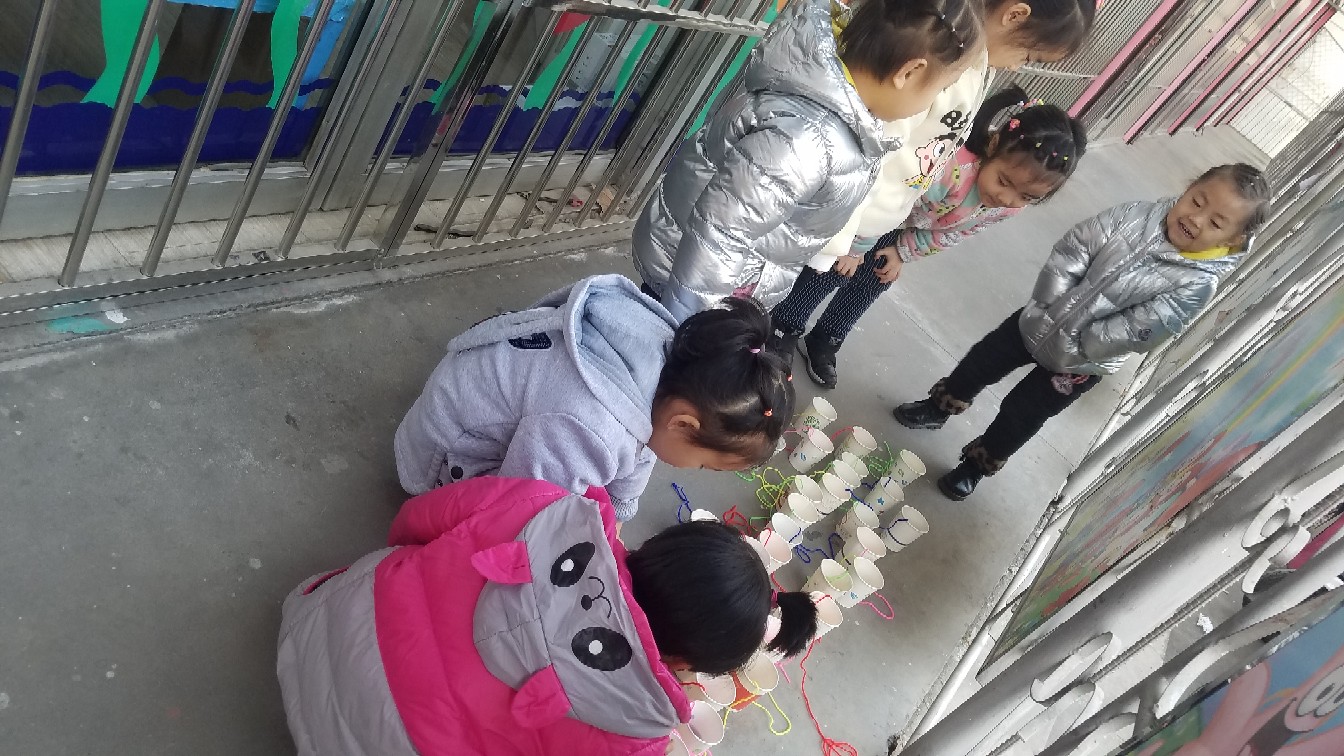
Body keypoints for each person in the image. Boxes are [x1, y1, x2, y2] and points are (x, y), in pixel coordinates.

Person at [276, 477, 819, 756]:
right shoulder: (634, 734)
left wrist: (413, 579)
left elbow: (417, 519)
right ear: (685, 663)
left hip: (313, 620)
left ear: (658, 545)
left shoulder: (545, 506)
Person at [893, 163, 1272, 500]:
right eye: (1197, 201)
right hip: (1041, 317)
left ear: (1232, 241)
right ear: (1188, 189)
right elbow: (1076, 247)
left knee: (1022, 415)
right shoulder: (1134, 215)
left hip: (1080, 364)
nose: (1197, 219)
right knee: (981, 361)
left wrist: (1077, 346)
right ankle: (938, 406)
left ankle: (976, 466)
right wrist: (1050, 300)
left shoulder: (1197, 283)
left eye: (1216, 223)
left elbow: (1141, 329)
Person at [632, 0, 986, 322]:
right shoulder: (807, 139)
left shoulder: (840, 118)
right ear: (908, 72)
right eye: (939, 89)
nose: (931, 102)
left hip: (719, 283)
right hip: (688, 294)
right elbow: (721, 234)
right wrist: (693, 332)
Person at [395, 275, 793, 521]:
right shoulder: (591, 425)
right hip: (446, 448)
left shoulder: (666, 366)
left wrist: (619, 510)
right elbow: (522, 501)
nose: (696, 469)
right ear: (684, 423)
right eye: (704, 464)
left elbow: (646, 444)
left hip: (479, 393)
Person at [774, 86, 1088, 388]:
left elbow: (957, 232)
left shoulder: (1005, 207)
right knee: (836, 267)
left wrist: (903, 252)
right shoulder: (952, 168)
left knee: (878, 277)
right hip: (877, 214)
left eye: (1027, 197)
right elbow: (888, 198)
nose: (1007, 199)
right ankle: (785, 323)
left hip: (907, 228)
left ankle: (827, 337)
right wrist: (855, 247)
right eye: (1004, 182)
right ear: (994, 145)